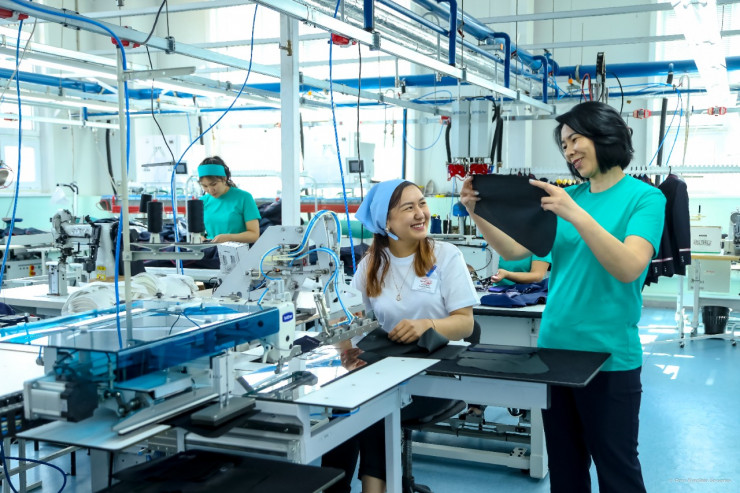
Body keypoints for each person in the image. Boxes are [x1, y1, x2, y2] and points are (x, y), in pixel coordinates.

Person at [460, 101, 665, 493]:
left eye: (575, 139)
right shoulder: (568, 199)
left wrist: (575, 213)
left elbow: (628, 267)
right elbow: (517, 251)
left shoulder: (645, 198)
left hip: (609, 357)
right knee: (566, 468)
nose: (569, 151)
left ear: (605, 134)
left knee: (617, 470)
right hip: (555, 351)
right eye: (564, 144)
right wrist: (477, 213)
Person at [323, 179, 479, 493]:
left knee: (374, 407)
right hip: (387, 369)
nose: (421, 213)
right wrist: (344, 348)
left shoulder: (446, 256)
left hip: (436, 373)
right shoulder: (371, 264)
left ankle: (374, 488)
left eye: (422, 203)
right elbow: (349, 321)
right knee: (342, 405)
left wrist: (428, 325)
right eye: (409, 207)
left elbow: (465, 324)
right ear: (386, 222)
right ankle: (332, 487)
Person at [198, 156, 260, 243]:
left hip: (237, 249)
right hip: (209, 248)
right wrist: (200, 238)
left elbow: (254, 235)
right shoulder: (203, 201)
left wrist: (228, 238)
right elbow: (198, 234)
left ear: (224, 179)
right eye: (205, 186)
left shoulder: (244, 198)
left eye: (214, 184)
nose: (210, 190)